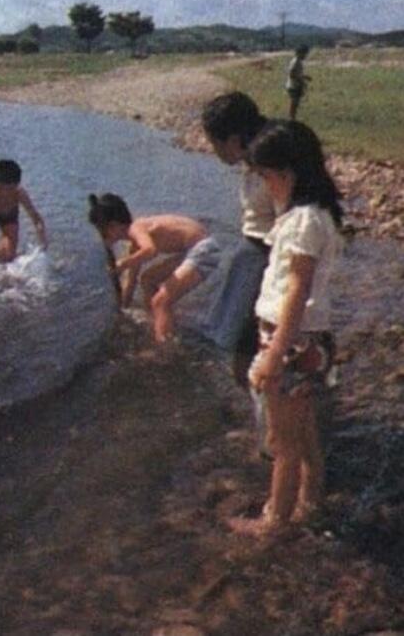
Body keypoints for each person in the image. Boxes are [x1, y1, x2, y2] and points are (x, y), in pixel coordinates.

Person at [230, 121, 343, 536]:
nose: (264, 186)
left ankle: (273, 523)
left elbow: (297, 288)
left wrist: (275, 354)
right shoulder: (319, 215)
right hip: (312, 339)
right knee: (306, 432)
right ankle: (309, 503)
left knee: (281, 442)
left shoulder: (301, 223)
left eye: (265, 176)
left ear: (287, 174)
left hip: (290, 340)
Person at [201, 92, 274, 393]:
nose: (214, 152)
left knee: (247, 348)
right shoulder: (254, 161)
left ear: (232, 140)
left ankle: (265, 408)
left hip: (263, 257)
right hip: (254, 253)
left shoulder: (269, 167)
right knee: (242, 345)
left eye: (215, 144)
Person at [88, 193, 220, 343]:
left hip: (203, 248)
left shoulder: (136, 228)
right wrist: (122, 308)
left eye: (102, 231)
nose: (102, 237)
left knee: (160, 301)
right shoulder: (135, 244)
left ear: (113, 226)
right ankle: (158, 321)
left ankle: (165, 345)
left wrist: (122, 264)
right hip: (192, 249)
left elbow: (150, 250)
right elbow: (130, 282)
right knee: (147, 279)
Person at [0, 159, 48, 263]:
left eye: (9, 189)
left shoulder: (20, 194)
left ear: (16, 185)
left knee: (9, 255)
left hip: (9, 217)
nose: (5, 193)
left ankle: (5, 260)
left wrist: (42, 238)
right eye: (1, 189)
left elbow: (35, 217)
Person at [286, 45, 311, 120]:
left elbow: (297, 73)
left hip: (296, 85)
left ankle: (292, 117)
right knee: (294, 103)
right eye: (304, 54)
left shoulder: (298, 62)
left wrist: (304, 77)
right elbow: (291, 74)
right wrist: (300, 80)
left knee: (296, 103)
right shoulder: (295, 62)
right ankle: (291, 118)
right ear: (300, 53)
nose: (305, 56)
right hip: (293, 86)